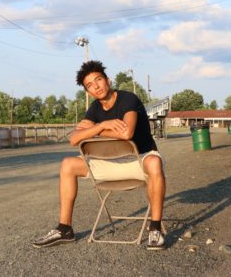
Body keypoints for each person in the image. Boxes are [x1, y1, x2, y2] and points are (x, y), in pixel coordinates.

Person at [33, 60, 166, 250]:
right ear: (88, 92)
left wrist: (95, 130)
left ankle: (155, 228)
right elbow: (74, 139)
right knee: (67, 164)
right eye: (90, 85)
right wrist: (102, 125)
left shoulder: (128, 99)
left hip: (139, 160)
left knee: (154, 162)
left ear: (108, 80)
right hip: (110, 163)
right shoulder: (94, 108)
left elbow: (126, 133)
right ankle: (64, 229)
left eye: (98, 80)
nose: (96, 86)